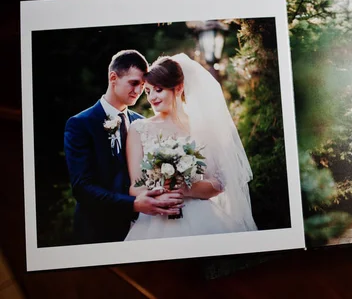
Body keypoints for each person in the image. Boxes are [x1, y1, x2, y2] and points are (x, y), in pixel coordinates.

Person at [124, 53, 257, 241]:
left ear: (178, 88)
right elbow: (135, 186)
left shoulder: (203, 127)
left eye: (158, 89)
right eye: (148, 91)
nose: (152, 97)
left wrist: (186, 189)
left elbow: (218, 183)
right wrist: (159, 196)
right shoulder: (139, 129)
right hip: (155, 219)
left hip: (201, 216)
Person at [64, 50, 184, 245]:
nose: (138, 91)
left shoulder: (142, 124)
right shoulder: (81, 124)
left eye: (143, 86)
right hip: (98, 231)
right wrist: (134, 204)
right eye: (134, 83)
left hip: (144, 227)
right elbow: (82, 187)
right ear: (113, 77)